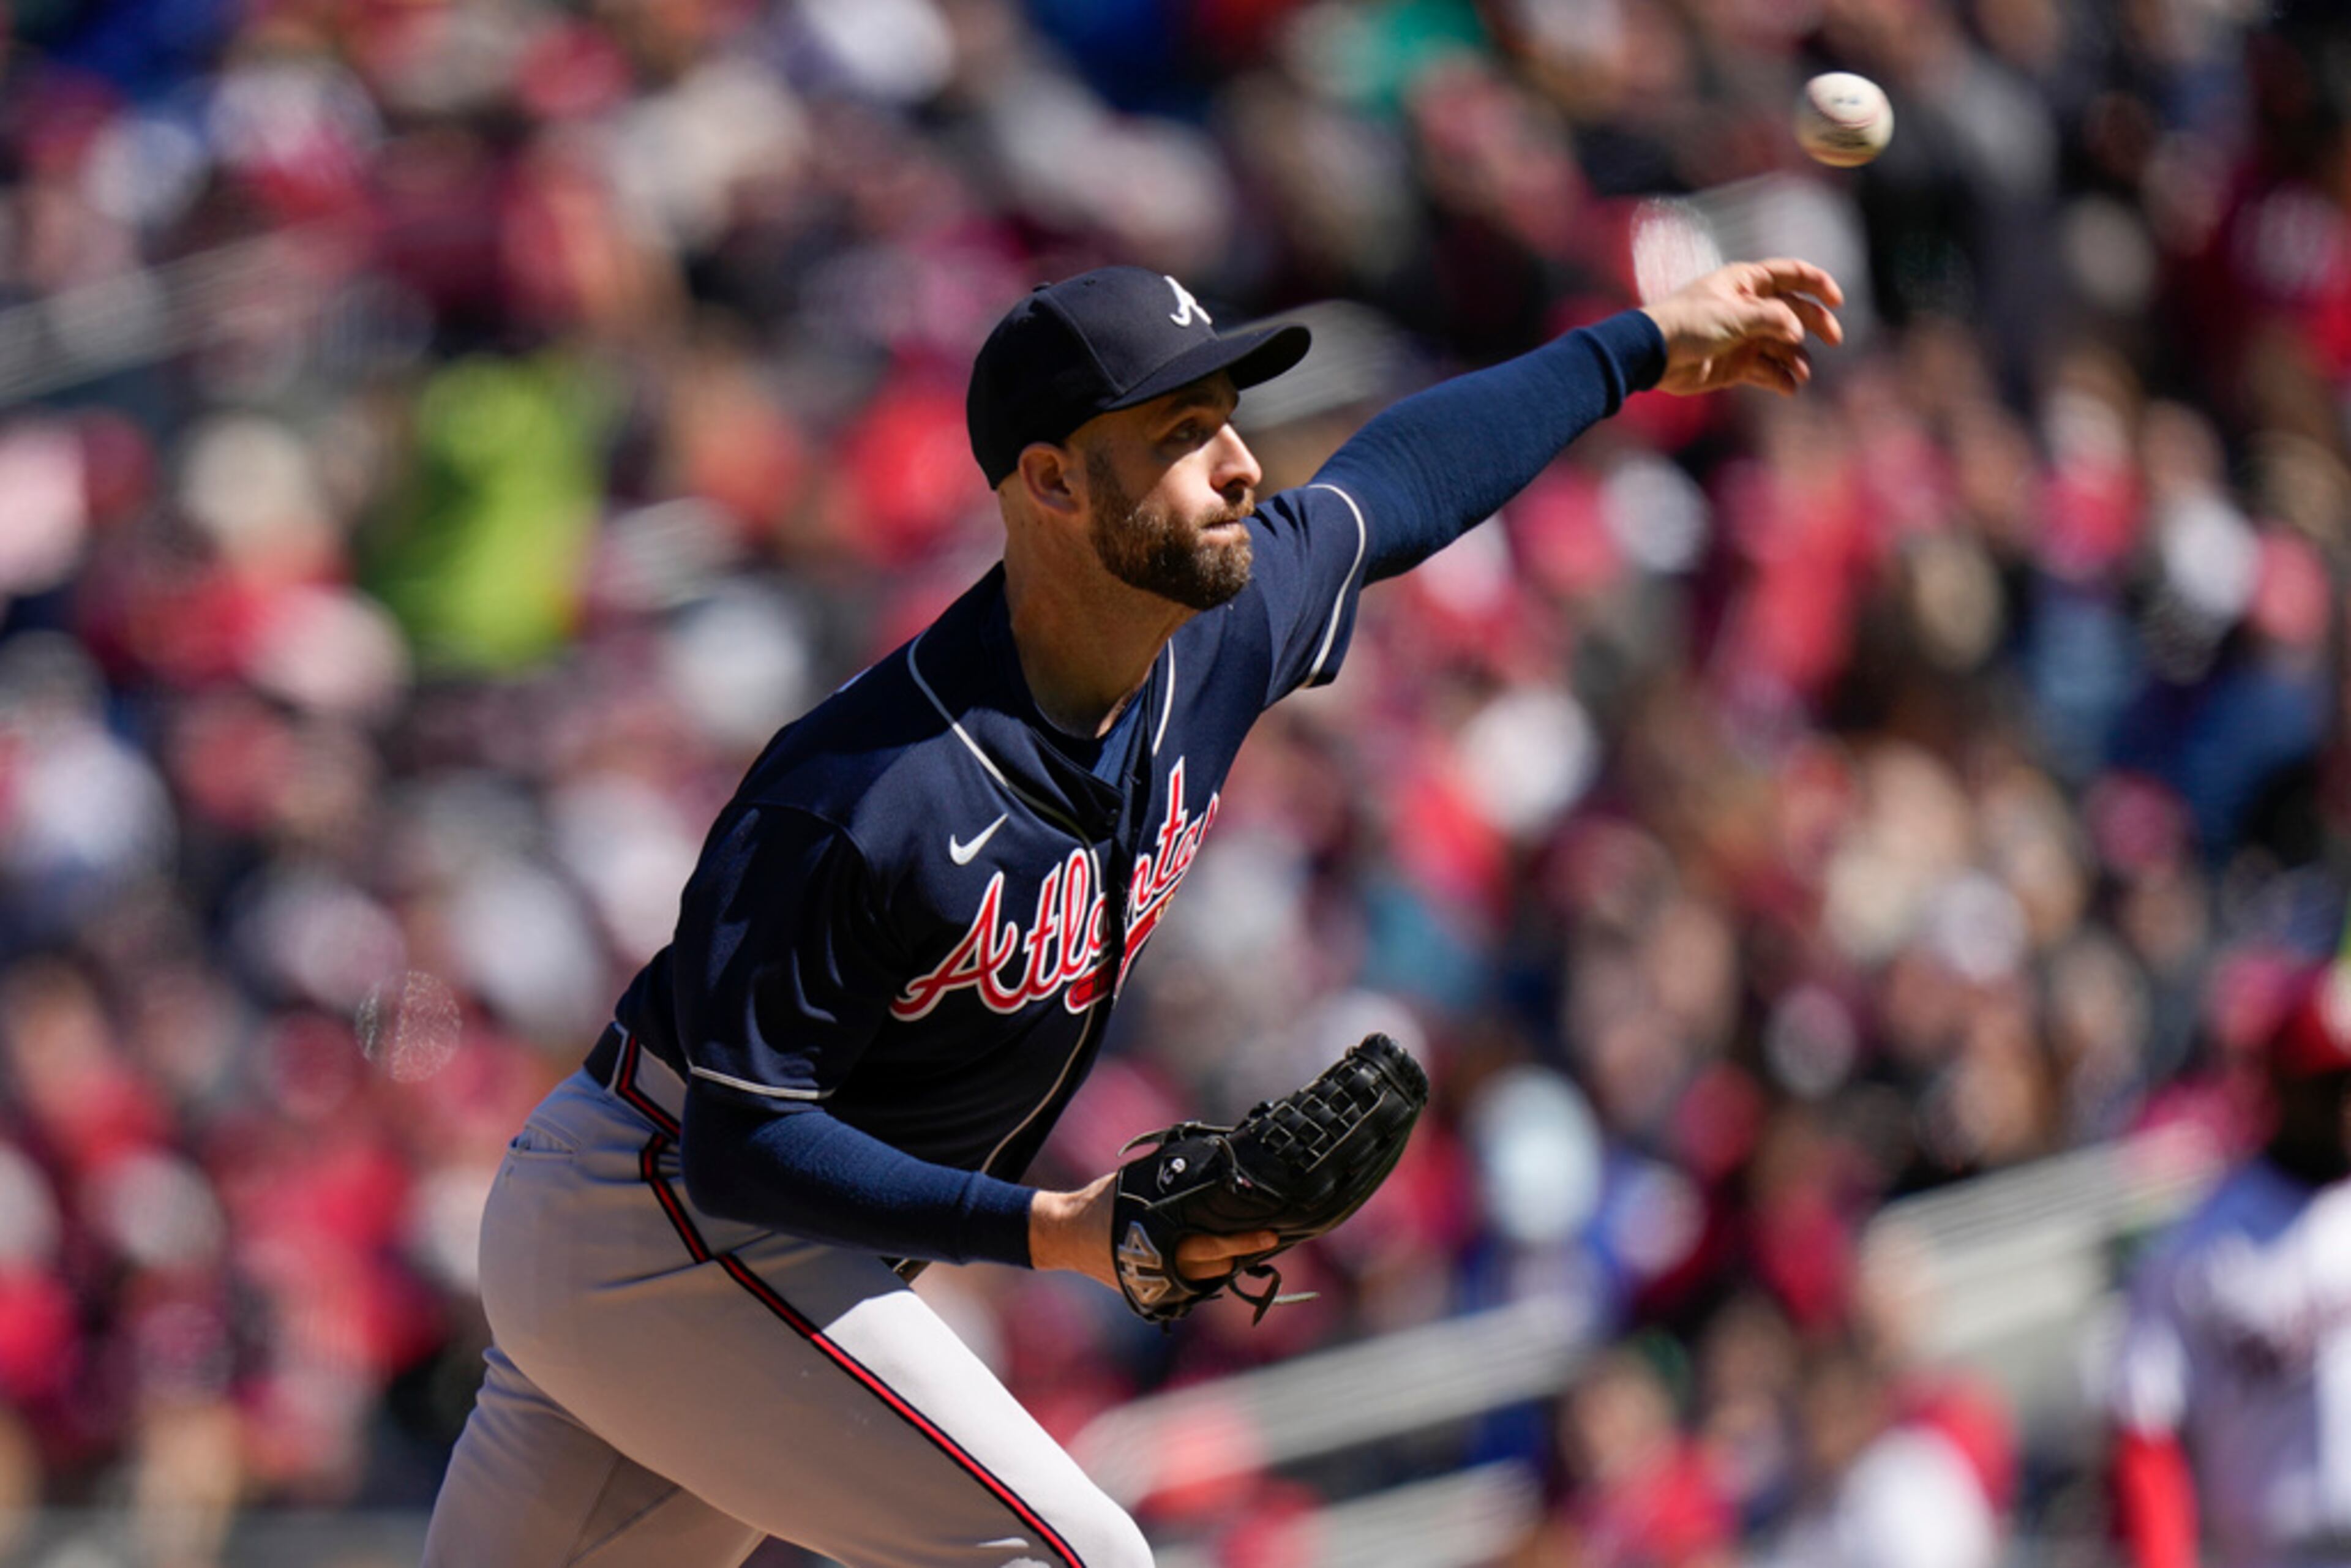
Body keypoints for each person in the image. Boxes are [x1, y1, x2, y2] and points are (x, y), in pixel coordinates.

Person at [421, 257, 1844, 1567]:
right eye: (1176, 435)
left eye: (1226, 416)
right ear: (1049, 482)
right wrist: (1055, 1226)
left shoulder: (1210, 633)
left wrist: (1644, 341)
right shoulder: (867, 789)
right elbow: (744, 1142)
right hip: (665, 1211)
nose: (1236, 465)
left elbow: (1397, 484)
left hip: (701, 1248)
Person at [2109, 961, 2351, 1568]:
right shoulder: (2198, 1246)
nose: (2349, 1104)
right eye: (2333, 1085)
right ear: (2282, 1084)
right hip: (2276, 1549)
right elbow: (2147, 1425)